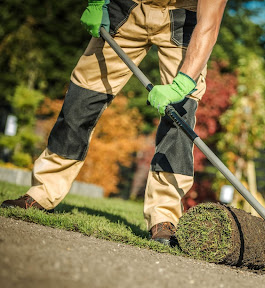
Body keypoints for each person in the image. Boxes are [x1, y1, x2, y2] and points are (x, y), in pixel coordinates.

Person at [1, 0, 228, 246]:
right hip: (128, 6)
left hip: (184, 16)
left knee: (180, 113)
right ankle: (42, 194)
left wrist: (183, 83)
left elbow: (209, 23)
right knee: (83, 97)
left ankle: (164, 219)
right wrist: (98, 2)